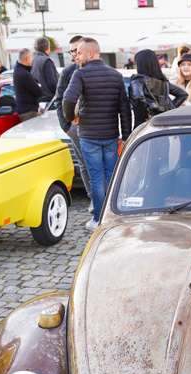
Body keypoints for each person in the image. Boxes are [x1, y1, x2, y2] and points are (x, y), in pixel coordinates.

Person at [63, 37, 132, 232]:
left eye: (80, 53)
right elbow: (124, 108)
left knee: (96, 177)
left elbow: (68, 99)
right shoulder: (116, 76)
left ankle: (98, 220)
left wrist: (72, 117)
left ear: (90, 54)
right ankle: (113, 215)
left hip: (89, 135)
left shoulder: (81, 74)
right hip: (111, 134)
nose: (77, 57)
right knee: (111, 176)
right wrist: (126, 134)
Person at [55, 36, 93, 212]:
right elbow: (59, 100)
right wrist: (67, 127)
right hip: (76, 127)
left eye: (76, 50)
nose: (74, 54)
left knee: (99, 163)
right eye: (71, 51)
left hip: (95, 124)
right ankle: (93, 197)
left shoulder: (94, 68)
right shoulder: (68, 72)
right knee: (84, 163)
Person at [129, 49, 187, 128]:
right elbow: (182, 94)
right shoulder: (163, 82)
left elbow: (138, 97)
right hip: (163, 124)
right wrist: (168, 110)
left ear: (140, 64)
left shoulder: (138, 80)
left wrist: (148, 115)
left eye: (136, 63)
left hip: (144, 125)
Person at [13, 48, 42, 122]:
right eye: (32, 57)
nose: (32, 60)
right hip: (29, 111)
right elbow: (39, 92)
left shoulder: (17, 70)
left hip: (23, 109)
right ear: (28, 58)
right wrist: (39, 85)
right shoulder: (24, 74)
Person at [32, 37, 59, 104]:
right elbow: (52, 83)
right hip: (48, 100)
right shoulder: (46, 61)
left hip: (37, 99)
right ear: (47, 47)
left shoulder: (33, 60)